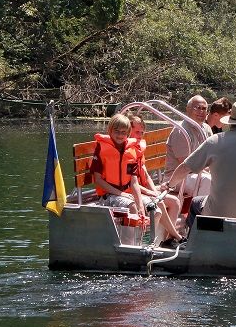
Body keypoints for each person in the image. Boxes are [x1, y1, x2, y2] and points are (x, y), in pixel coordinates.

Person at [128, 115, 185, 246]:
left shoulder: (137, 149)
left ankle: (167, 241)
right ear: (128, 130)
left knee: (174, 201)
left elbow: (146, 176)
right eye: (137, 132)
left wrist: (155, 191)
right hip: (131, 191)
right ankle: (176, 237)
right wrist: (152, 194)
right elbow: (131, 183)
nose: (140, 135)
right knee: (157, 203)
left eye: (142, 133)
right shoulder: (127, 151)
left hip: (143, 189)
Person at [90, 114, 146, 221]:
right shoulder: (101, 149)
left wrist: (141, 206)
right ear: (110, 131)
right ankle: (128, 238)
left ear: (128, 133)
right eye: (116, 131)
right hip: (108, 196)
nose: (120, 135)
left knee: (153, 207)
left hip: (126, 194)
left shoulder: (130, 150)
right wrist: (121, 194)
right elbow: (98, 180)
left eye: (123, 132)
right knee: (132, 207)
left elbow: (133, 182)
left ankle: (144, 238)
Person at [165, 94, 212, 197]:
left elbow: (212, 156)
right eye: (197, 108)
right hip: (176, 178)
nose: (201, 111)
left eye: (204, 109)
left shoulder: (207, 129)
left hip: (199, 173)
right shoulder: (181, 131)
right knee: (207, 180)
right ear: (188, 109)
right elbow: (186, 165)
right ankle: (201, 211)